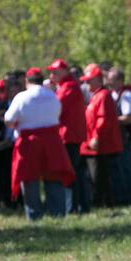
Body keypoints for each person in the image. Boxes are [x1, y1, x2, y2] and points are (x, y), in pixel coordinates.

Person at [4, 67, 74, 220]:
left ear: (26, 81)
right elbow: (58, 113)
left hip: (29, 142)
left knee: (29, 178)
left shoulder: (21, 97)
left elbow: (9, 119)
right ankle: (58, 213)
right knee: (54, 176)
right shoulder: (52, 95)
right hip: (52, 141)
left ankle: (34, 214)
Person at [79, 63, 124, 208]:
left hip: (100, 145)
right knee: (99, 175)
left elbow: (103, 119)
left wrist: (96, 137)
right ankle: (104, 202)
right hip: (95, 144)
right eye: (85, 81)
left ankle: (101, 203)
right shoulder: (96, 95)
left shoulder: (103, 96)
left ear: (98, 80)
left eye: (89, 80)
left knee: (98, 175)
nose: (86, 84)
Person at [49, 58, 90, 214]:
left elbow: (56, 108)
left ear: (65, 72)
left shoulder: (69, 87)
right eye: (51, 72)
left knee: (70, 172)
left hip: (69, 136)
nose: (52, 75)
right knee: (76, 172)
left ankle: (73, 207)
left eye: (55, 72)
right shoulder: (65, 86)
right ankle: (80, 206)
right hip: (70, 135)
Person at [106, 67, 131, 200]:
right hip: (117, 137)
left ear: (120, 80)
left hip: (126, 137)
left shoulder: (127, 96)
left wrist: (110, 121)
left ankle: (128, 196)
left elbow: (129, 118)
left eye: (112, 80)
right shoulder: (113, 94)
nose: (109, 82)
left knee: (125, 166)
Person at [0, 78, 18, 210]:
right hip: (1, 144)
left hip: (15, 144)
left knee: (14, 173)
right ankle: (0, 198)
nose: (13, 94)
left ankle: (15, 200)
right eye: (11, 91)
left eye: (15, 91)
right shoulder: (2, 105)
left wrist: (10, 141)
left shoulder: (23, 104)